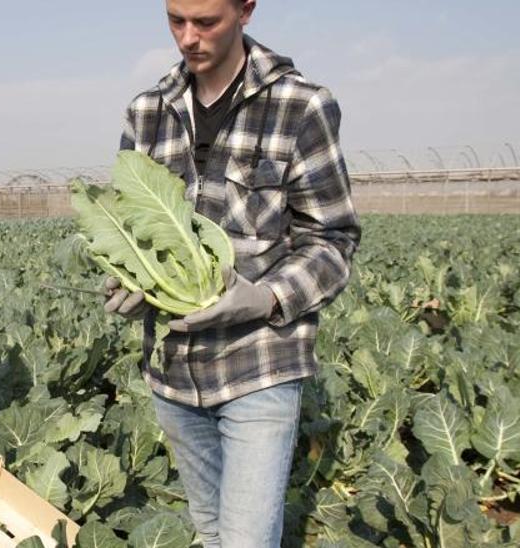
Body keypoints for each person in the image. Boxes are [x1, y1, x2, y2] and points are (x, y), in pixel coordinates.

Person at [105, 0, 361, 545]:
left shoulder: (301, 107)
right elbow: (131, 231)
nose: (188, 38)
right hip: (173, 372)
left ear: (246, 10)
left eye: (206, 22)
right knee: (212, 532)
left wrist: (265, 297)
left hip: (260, 365)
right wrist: (131, 281)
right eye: (176, 20)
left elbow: (333, 239)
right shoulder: (148, 112)